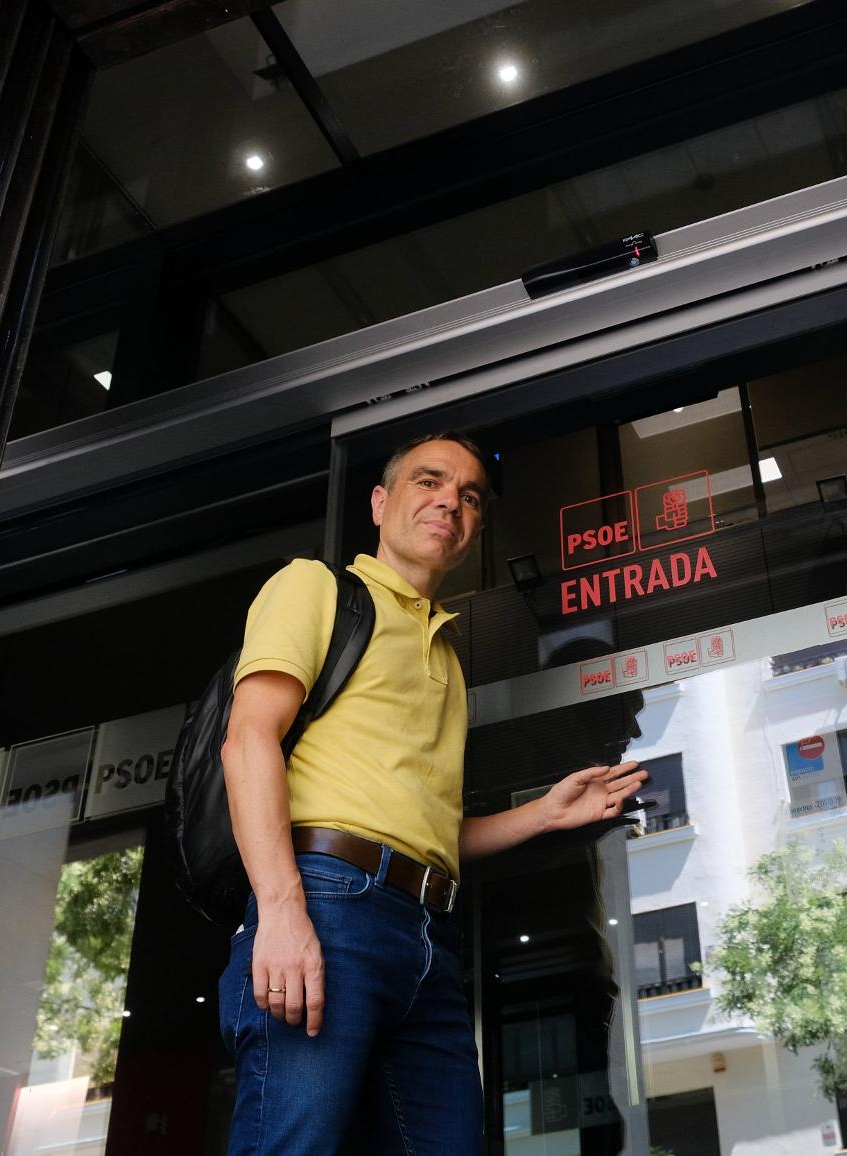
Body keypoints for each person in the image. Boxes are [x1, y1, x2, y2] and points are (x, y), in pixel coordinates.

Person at [216, 431, 646, 1155]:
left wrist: (543, 814)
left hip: (428, 938)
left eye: (470, 494)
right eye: (430, 480)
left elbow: (431, 836)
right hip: (327, 904)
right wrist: (284, 913)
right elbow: (247, 739)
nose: (451, 498)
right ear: (381, 503)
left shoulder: (446, 655)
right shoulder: (317, 588)